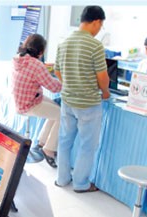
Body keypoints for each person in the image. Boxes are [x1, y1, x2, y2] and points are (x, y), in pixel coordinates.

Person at [54, 6, 109, 193]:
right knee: (87, 145)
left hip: (68, 101)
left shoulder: (64, 42)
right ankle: (80, 184)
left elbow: (57, 70)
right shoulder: (95, 45)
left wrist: (69, 84)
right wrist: (106, 93)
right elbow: (102, 76)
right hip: (88, 104)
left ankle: (61, 179)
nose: (99, 30)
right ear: (96, 22)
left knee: (64, 141)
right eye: (100, 26)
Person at [11, 33, 62, 168]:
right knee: (62, 115)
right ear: (40, 51)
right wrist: (66, 82)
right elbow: (53, 87)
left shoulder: (18, 58)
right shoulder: (36, 65)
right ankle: (49, 149)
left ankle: (42, 142)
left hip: (23, 100)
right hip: (29, 104)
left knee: (56, 109)